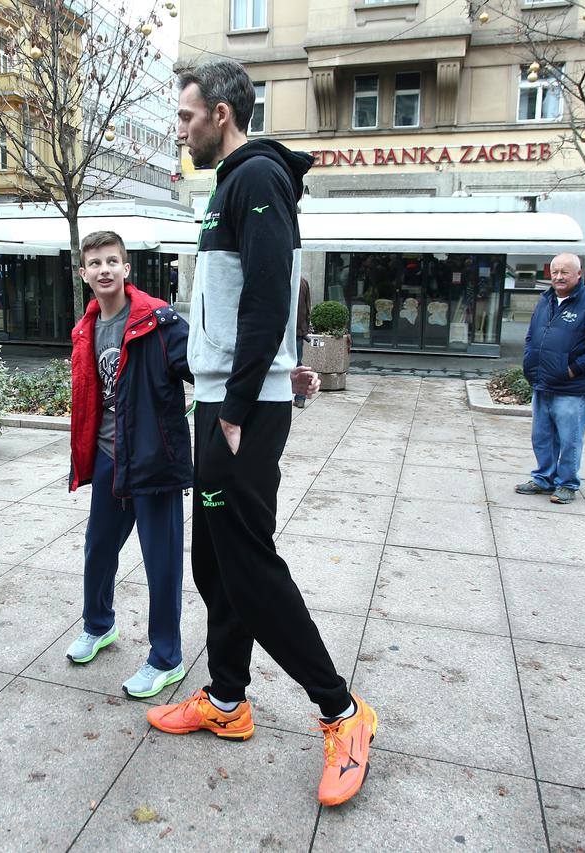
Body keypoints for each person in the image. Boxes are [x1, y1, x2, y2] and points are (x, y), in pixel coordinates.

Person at [147, 59, 375, 809]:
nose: (179, 130)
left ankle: (343, 711)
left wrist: (247, 401)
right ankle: (227, 697)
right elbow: (247, 299)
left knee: (247, 562)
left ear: (219, 112)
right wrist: (279, 371)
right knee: (211, 558)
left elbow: (275, 288)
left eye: (185, 118)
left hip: (236, 407)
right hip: (224, 397)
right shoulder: (229, 185)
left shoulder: (254, 179)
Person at [65, 230, 193, 699]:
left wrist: (275, 378)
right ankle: (99, 626)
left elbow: (203, 364)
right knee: (98, 550)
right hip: (107, 459)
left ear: (126, 269)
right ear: (84, 273)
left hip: (152, 462)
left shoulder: (158, 321)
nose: (104, 269)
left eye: (111, 261)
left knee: (161, 565)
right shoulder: (87, 327)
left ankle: (167, 657)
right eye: (95, 263)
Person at [516, 253, 585, 504]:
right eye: (555, 272)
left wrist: (573, 370)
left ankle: (567, 483)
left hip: (571, 387)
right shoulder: (545, 299)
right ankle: (543, 478)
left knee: (569, 439)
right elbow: (532, 335)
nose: (558, 277)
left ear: (578, 274)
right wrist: (529, 361)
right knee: (542, 436)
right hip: (542, 381)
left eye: (565, 272)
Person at [294, 275, 312, 408]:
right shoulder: (302, 281)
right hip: (298, 330)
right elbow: (307, 307)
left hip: (287, 330)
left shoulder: (283, 277)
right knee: (298, 364)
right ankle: (300, 398)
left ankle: (300, 397)